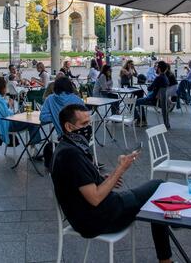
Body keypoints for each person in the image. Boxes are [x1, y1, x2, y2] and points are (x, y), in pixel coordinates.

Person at [51, 104, 173, 263]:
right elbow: (94, 198)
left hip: (94, 213)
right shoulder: (71, 155)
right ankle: (167, 251)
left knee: (156, 193)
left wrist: (105, 179)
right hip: (98, 219)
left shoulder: (66, 146)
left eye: (89, 123)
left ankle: (166, 256)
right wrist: (120, 169)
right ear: (69, 126)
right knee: (158, 186)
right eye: (84, 124)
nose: (88, 128)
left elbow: (80, 182)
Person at [0, 77, 41, 145]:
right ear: (2, 87)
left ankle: (34, 143)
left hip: (3, 122)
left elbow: (2, 111)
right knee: (32, 121)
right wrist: (12, 109)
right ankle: (35, 143)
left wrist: (11, 108)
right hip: (6, 124)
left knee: (27, 114)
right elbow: (7, 114)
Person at [135, 61, 169, 126]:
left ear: (159, 69)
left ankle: (141, 120)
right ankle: (142, 120)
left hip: (152, 100)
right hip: (159, 100)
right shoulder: (165, 78)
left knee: (136, 102)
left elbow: (149, 88)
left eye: (157, 67)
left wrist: (153, 84)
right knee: (140, 100)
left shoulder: (158, 78)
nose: (156, 69)